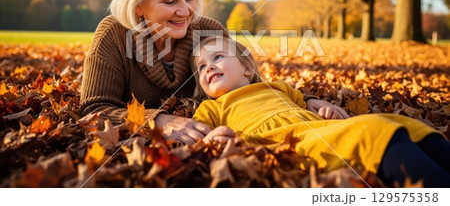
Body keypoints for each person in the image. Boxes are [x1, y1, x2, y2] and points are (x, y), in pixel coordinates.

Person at [190, 36, 450, 187]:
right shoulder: (212, 107)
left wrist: (325, 108)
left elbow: (306, 104)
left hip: (318, 128)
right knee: (373, 133)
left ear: (247, 68)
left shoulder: (278, 87)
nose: (208, 68)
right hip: (286, 143)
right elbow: (197, 138)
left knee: (400, 123)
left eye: (217, 58)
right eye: (201, 67)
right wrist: (212, 141)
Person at [80, 0, 229, 145]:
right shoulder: (113, 34)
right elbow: (94, 111)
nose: (185, 11)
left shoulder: (211, 33)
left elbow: (252, 94)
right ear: (138, 5)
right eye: (170, 1)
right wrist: (155, 122)